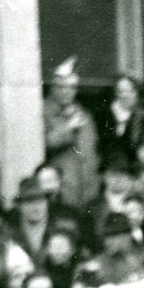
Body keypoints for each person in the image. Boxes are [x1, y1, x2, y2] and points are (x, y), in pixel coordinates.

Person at [42, 59, 100, 210]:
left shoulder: (84, 115)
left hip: (88, 192)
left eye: (71, 87)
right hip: (60, 192)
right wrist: (67, 128)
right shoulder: (43, 112)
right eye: (61, 86)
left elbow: (92, 151)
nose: (66, 91)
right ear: (53, 87)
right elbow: (42, 145)